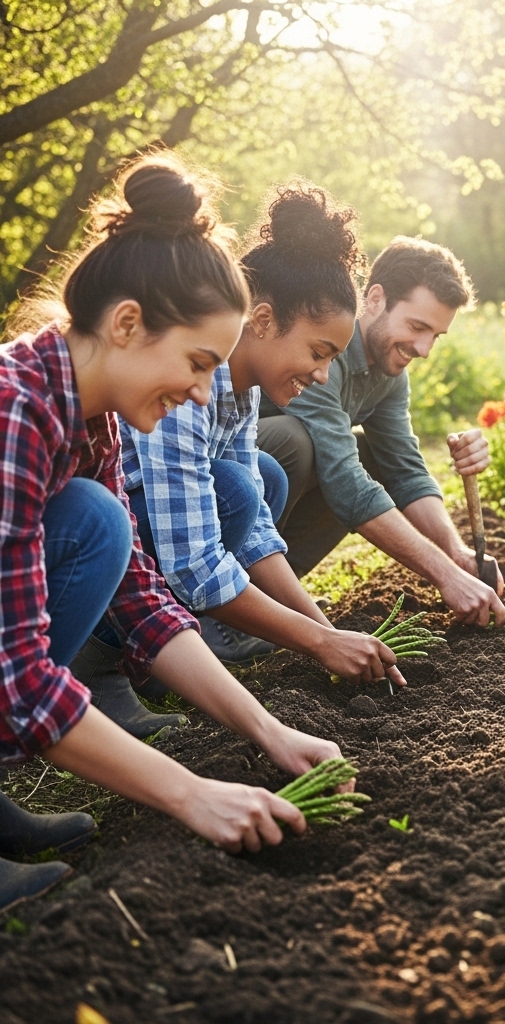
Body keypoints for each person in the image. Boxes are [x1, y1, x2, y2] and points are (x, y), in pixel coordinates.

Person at [0, 156, 342, 913]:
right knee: (96, 518)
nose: (200, 390)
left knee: (98, 522)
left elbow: (144, 603)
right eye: (195, 363)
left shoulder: (92, 422)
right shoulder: (12, 412)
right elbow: (18, 682)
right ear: (127, 324)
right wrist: (193, 796)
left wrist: (270, 732)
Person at [105, 182, 404, 685]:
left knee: (259, 481)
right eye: (318, 352)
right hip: (96, 542)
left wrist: (325, 630)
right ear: (263, 320)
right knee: (238, 488)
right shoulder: (186, 380)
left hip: (142, 533)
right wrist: (321, 642)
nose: (324, 375)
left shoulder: (241, 390)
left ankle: (176, 636)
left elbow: (258, 532)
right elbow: (195, 563)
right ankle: (106, 662)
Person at [258, 236, 505, 627]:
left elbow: (405, 469)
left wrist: (456, 553)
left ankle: (276, 594)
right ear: (374, 299)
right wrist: (444, 575)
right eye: (417, 326)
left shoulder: (390, 372)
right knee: (296, 441)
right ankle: (237, 602)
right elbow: (344, 480)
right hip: (226, 473)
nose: (424, 349)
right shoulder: (325, 354)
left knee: (371, 455)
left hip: (267, 498)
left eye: (436, 336)